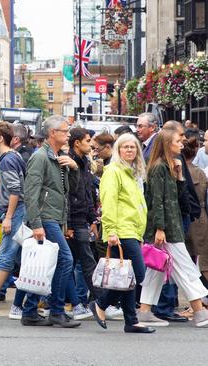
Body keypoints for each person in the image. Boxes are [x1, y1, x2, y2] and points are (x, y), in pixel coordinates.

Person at [136, 130, 208, 327]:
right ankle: (200, 311)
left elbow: (176, 198)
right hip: (167, 229)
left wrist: (179, 176)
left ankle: (144, 311)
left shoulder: (168, 167)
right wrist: (160, 228)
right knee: (185, 268)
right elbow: (158, 201)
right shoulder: (158, 168)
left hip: (169, 226)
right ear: (168, 144)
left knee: (156, 271)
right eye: (177, 141)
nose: (181, 144)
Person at [89, 133, 154, 333]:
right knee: (137, 274)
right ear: (118, 150)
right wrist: (111, 232)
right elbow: (108, 203)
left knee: (127, 276)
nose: (129, 150)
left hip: (132, 231)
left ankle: (131, 321)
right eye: (125, 147)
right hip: (121, 231)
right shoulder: (113, 171)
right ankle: (101, 304)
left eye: (133, 147)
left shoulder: (131, 172)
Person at [22, 115, 80, 328]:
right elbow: (31, 191)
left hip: (55, 216)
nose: (68, 134)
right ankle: (55, 311)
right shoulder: (40, 157)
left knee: (49, 263)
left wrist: (73, 168)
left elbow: (69, 191)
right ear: (52, 133)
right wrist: (36, 223)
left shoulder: (58, 156)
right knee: (65, 260)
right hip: (46, 217)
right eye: (65, 131)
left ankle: (30, 311)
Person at [0, 122, 28, 319]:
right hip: (11, 211)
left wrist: (8, 216)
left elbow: (15, 190)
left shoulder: (8, 160)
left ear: (1, 138)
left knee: (6, 254)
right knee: (18, 256)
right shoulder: (11, 157)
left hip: (16, 211)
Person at [64, 128, 99, 317]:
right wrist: (68, 224)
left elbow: (88, 192)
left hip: (81, 218)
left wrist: (92, 218)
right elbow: (67, 194)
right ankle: (98, 302)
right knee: (84, 262)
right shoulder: (70, 161)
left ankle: (82, 302)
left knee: (78, 262)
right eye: (87, 140)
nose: (91, 143)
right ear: (77, 143)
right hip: (74, 220)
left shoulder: (84, 161)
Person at [182, 137, 208, 292]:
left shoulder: (191, 172)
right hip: (200, 218)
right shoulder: (199, 172)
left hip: (194, 218)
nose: (204, 143)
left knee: (200, 262)